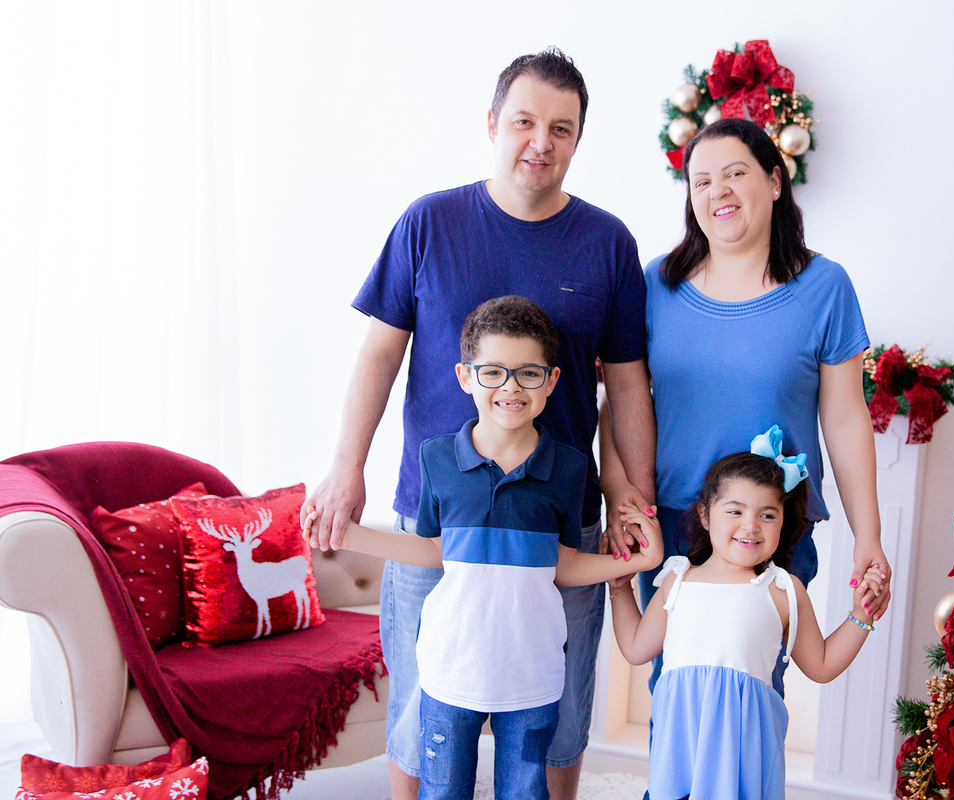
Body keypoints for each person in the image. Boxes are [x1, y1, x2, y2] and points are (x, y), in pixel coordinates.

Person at [305, 48, 656, 800]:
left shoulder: (608, 244)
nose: (541, 141)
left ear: (578, 139)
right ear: (493, 123)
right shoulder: (429, 221)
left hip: (560, 521)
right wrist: (346, 468)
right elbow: (378, 356)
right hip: (436, 515)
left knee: (558, 717)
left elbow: (627, 385)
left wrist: (635, 495)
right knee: (420, 711)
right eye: (525, 121)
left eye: (561, 128)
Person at [304, 297, 662, 800]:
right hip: (450, 675)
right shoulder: (437, 460)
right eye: (492, 372)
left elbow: (561, 563)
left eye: (528, 374)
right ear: (465, 377)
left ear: (552, 381)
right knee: (443, 791)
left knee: (524, 792)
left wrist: (640, 561)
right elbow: (433, 550)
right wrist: (349, 534)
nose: (511, 387)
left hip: (533, 678)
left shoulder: (569, 469)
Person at [600, 117, 890, 697]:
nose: (718, 192)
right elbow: (618, 401)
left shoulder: (824, 286)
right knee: (676, 696)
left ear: (775, 182)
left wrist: (869, 536)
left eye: (736, 173)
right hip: (679, 526)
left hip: (771, 531)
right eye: (701, 181)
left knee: (753, 693)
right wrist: (620, 499)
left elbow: (844, 418)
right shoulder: (655, 283)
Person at [607, 444, 882, 800]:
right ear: (705, 516)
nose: (750, 526)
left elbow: (822, 665)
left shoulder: (783, 589)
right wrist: (620, 589)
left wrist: (862, 615)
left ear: (783, 522)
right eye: (735, 511)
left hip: (744, 751)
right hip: (683, 745)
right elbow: (634, 647)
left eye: (767, 515)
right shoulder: (678, 578)